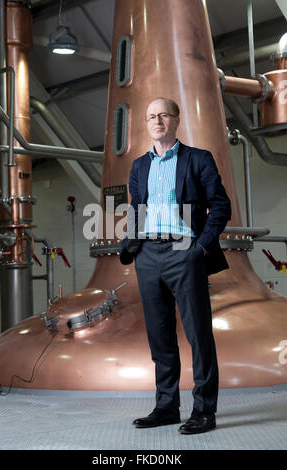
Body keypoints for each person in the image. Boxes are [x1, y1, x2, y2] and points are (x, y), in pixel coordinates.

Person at [119, 97, 231, 434]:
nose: (157, 120)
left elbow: (220, 205)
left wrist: (199, 248)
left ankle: (204, 411)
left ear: (176, 119)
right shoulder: (139, 165)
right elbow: (138, 209)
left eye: (163, 115)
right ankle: (167, 406)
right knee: (159, 335)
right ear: (146, 122)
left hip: (184, 248)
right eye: (151, 116)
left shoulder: (198, 159)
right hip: (149, 254)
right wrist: (134, 246)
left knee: (198, 333)